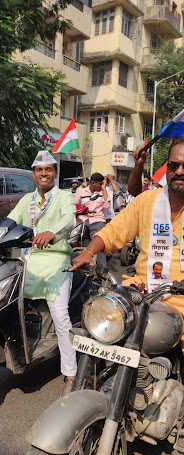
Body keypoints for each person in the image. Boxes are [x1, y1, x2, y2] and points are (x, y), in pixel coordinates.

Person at [70, 136, 184, 323]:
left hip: (181, 301)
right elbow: (114, 230)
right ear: (167, 167)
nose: (179, 171)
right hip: (141, 292)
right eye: (173, 165)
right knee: (94, 322)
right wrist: (89, 252)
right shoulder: (146, 201)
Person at [8, 150, 77, 396]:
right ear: (34, 174)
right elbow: (10, 221)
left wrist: (52, 233)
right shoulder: (26, 200)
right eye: (39, 170)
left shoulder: (64, 196)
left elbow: (70, 219)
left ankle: (71, 371)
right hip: (28, 259)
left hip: (56, 259)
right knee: (4, 302)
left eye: (48, 169)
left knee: (60, 315)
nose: (44, 173)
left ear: (55, 173)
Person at [74, 172, 110, 264]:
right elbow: (74, 205)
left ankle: (102, 268)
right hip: (83, 219)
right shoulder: (81, 192)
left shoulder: (102, 192)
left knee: (99, 241)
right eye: (100, 183)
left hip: (97, 220)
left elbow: (107, 205)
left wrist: (104, 189)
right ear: (93, 183)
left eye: (102, 183)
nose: (101, 185)